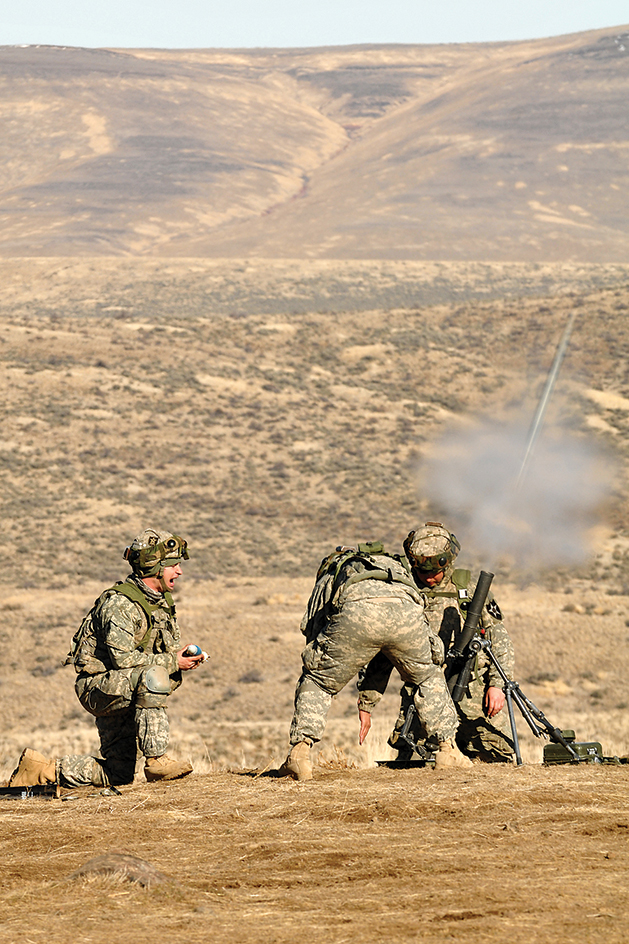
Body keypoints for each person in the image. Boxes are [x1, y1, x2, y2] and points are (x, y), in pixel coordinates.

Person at [9, 529, 206, 789]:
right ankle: (157, 761)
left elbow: (157, 654)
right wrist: (172, 662)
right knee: (154, 675)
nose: (179, 572)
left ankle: (41, 770)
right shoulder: (120, 604)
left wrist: (183, 657)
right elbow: (124, 660)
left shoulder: (160, 603)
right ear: (155, 568)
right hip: (99, 687)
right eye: (173, 565)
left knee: (118, 774)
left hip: (123, 686)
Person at [279, 541, 473, 781]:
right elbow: (385, 647)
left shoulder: (333, 569)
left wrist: (320, 663)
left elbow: (313, 624)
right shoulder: (395, 568)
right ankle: (448, 750)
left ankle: (299, 754)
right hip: (405, 613)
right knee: (427, 676)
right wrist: (367, 702)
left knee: (318, 679)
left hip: (356, 610)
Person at [358, 523, 515, 763]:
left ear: (447, 561)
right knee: (414, 764)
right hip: (422, 695)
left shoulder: (470, 591)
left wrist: (496, 686)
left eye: (435, 572)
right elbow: (383, 652)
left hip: (473, 694)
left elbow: (500, 640)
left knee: (497, 756)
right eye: (423, 572)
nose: (430, 578)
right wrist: (367, 703)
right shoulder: (404, 594)